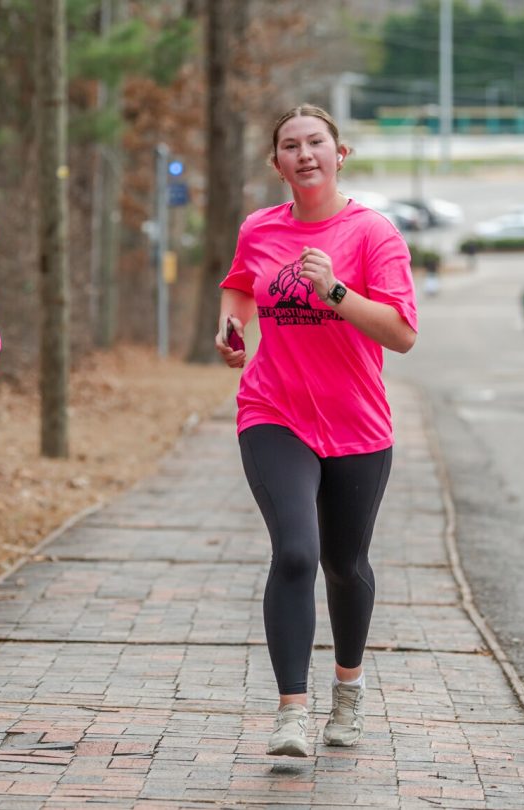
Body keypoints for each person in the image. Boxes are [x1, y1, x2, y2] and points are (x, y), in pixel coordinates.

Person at [214, 104, 417, 758]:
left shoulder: (372, 234)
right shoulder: (259, 228)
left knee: (343, 563)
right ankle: (291, 712)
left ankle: (348, 692)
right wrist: (233, 325)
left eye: (316, 143)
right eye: (291, 146)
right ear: (276, 163)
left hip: (358, 423)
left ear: (340, 154)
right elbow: (240, 286)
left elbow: (403, 334)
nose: (304, 155)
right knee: (296, 551)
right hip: (274, 413)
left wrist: (334, 293)